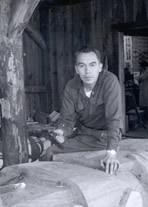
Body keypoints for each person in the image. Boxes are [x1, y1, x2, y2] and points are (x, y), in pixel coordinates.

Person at [41, 46, 123, 175]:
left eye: (92, 65)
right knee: (49, 151)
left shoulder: (110, 81)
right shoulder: (71, 86)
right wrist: (61, 131)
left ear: (100, 67)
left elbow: (114, 119)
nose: (87, 71)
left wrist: (111, 153)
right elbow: (67, 119)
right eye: (82, 66)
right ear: (76, 69)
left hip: (104, 137)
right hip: (83, 135)